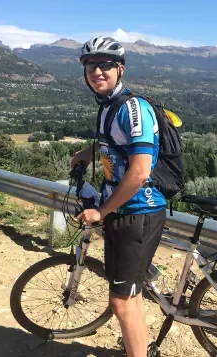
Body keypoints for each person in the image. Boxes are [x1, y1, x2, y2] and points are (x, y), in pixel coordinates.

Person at [72, 36, 166, 357]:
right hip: (122, 213)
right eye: (90, 66)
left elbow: (139, 172)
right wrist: (86, 153)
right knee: (132, 295)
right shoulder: (107, 107)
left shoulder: (133, 108)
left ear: (119, 68)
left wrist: (101, 211)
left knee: (120, 303)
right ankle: (139, 349)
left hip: (137, 213)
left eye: (105, 65)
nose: (97, 71)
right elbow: (112, 146)